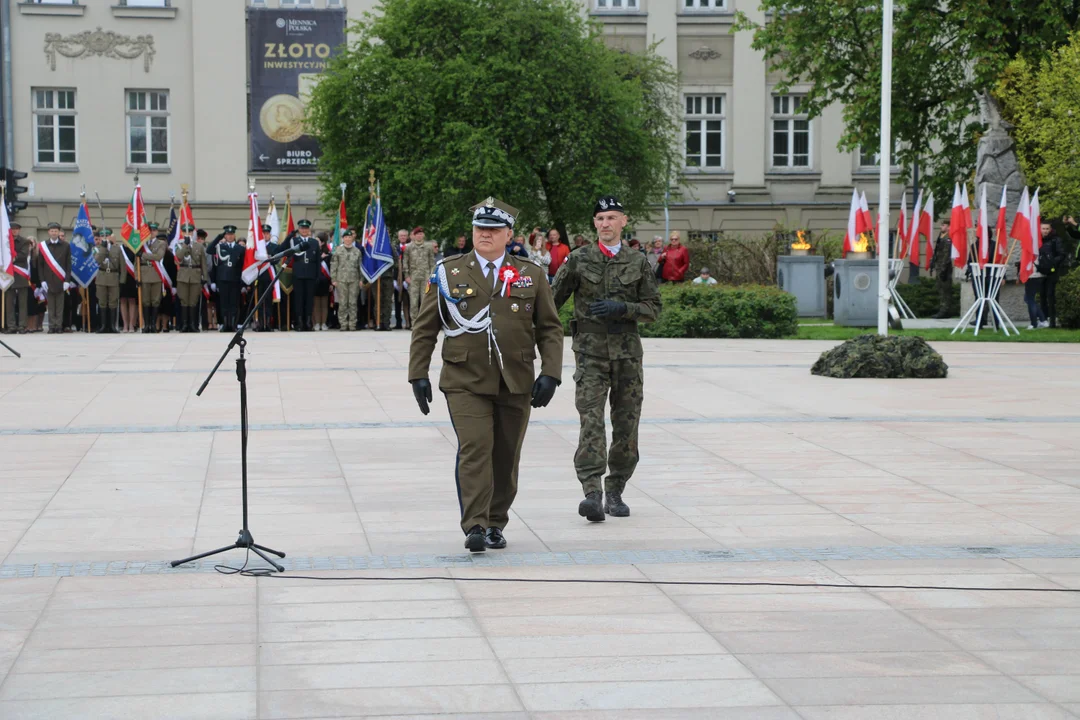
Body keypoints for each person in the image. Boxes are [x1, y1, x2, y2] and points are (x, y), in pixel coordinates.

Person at [408, 197, 563, 552]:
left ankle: (496, 521)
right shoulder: (449, 272)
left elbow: (550, 329)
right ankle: (475, 524)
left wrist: (551, 373)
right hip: (465, 378)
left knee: (506, 455)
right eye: (480, 229)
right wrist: (418, 373)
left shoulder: (531, 273)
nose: (485, 235)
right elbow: (425, 327)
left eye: (493, 230)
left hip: (516, 379)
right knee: (476, 447)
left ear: (509, 234)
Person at [552, 196, 661, 522]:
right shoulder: (577, 260)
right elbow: (550, 303)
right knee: (592, 422)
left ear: (623, 221)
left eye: (611, 218)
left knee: (627, 426)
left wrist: (624, 309)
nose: (605, 224)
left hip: (628, 356)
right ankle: (592, 492)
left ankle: (615, 489)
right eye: (600, 219)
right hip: (590, 353)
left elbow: (654, 310)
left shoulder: (638, 262)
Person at [36, 222, 72, 334]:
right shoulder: (43, 246)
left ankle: (58, 326)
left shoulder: (65, 245)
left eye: (56, 231)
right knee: (51, 305)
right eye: (52, 231)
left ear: (59, 232)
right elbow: (40, 265)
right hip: (48, 280)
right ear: (48, 232)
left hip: (61, 280)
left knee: (60, 305)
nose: (54, 233)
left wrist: (67, 280)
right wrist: (42, 280)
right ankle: (52, 326)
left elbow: (68, 264)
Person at [284, 219, 319, 331]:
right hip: (298, 274)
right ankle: (299, 323)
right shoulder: (294, 241)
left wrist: (317, 276)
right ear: (299, 230)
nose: (304, 230)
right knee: (298, 299)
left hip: (311, 274)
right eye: (302, 228)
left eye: (306, 228)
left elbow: (318, 261)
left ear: (309, 230)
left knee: (309, 299)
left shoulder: (314, 242)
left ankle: (308, 322)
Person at [209, 225, 244, 332]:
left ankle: (232, 325)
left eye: (231, 234)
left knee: (234, 304)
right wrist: (219, 237)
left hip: (235, 279)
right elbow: (209, 249)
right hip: (222, 279)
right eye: (227, 234)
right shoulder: (220, 246)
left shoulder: (240, 248)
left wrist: (243, 283)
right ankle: (225, 325)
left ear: (234, 235)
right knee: (223, 304)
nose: (229, 236)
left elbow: (243, 266)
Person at [174, 222, 208, 333]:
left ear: (193, 232)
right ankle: (184, 325)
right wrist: (185, 245)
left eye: (190, 231)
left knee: (193, 300)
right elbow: (178, 258)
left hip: (195, 275)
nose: (187, 233)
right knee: (184, 300)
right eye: (185, 231)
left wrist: (205, 277)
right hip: (183, 275)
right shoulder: (178, 245)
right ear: (182, 232)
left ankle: (193, 324)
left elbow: (203, 262)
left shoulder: (199, 246)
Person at [403, 226, 436, 329]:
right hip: (413, 277)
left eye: (421, 234)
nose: (419, 236)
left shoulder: (429, 246)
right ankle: (414, 323)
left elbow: (432, 262)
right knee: (413, 301)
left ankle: (424, 323)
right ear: (414, 235)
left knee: (425, 301)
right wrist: (406, 276)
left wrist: (432, 275)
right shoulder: (409, 247)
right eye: (417, 234)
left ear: (423, 235)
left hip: (426, 277)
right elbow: (405, 262)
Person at [3, 221, 32, 334]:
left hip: (20, 274)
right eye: (13, 229)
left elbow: (23, 254)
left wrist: (10, 259)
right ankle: (11, 326)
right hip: (9, 276)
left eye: (16, 229)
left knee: (22, 303)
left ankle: (22, 326)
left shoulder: (24, 241)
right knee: (9, 302)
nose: (15, 231)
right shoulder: (4, 241)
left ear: (19, 230)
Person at [331, 229, 362, 331]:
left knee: (353, 303)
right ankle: (343, 324)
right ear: (343, 239)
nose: (348, 239)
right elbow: (334, 265)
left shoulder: (357, 251)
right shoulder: (338, 251)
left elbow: (360, 267)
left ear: (352, 238)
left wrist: (361, 279)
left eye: (349, 237)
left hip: (354, 280)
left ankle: (352, 324)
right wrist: (333, 279)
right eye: (346, 237)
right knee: (343, 303)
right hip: (341, 280)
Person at [92, 228, 122, 333]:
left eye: (107, 235)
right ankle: (103, 326)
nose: (105, 237)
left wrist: (122, 280)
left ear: (111, 236)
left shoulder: (117, 249)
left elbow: (122, 265)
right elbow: (97, 260)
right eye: (102, 236)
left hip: (113, 277)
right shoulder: (97, 249)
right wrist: (104, 248)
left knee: (113, 302)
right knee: (102, 302)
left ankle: (112, 326)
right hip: (102, 277)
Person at [1037, 221, 1066, 328]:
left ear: (1050, 229)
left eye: (1047, 229)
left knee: (1050, 295)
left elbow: (1062, 254)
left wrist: (1052, 262)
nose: (1045, 231)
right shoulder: (1037, 240)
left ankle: (1052, 322)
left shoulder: (1055, 240)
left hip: (1052, 272)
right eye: (1043, 229)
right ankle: (1044, 320)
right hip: (1040, 271)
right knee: (1042, 296)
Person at [137, 231, 168, 333]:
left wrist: (143, 255)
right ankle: (147, 325)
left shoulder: (161, 243)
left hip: (156, 274)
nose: (151, 233)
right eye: (150, 230)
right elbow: (135, 263)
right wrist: (137, 277)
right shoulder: (141, 244)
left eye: (154, 230)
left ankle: (154, 325)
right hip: (144, 275)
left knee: (155, 301)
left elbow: (158, 256)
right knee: (145, 301)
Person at [930, 220, 953, 319]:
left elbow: (946, 255)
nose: (941, 227)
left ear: (948, 227)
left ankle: (945, 310)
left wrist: (943, 269)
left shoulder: (948, 239)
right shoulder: (941, 237)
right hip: (939, 266)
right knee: (940, 289)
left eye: (943, 225)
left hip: (944, 268)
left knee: (945, 290)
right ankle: (943, 309)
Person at [314, 232, 333, 330]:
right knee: (316, 304)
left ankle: (324, 323)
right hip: (315, 281)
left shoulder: (328, 254)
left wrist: (331, 283)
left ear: (322, 243)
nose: (316, 242)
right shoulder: (313, 253)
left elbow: (331, 269)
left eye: (317, 241)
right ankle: (317, 323)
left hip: (325, 282)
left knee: (324, 304)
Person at [394, 229, 409, 329]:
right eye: (401, 236)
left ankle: (409, 323)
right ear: (398, 237)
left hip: (408, 279)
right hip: (397, 278)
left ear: (407, 237)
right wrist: (394, 280)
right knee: (397, 302)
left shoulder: (411, 248)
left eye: (404, 236)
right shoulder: (394, 248)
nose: (403, 237)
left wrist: (407, 278)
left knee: (408, 302)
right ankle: (398, 323)